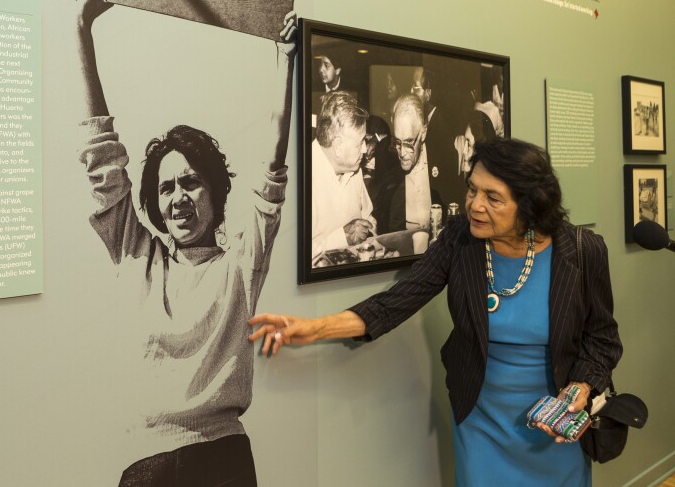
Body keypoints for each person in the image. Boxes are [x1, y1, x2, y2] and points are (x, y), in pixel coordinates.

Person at [250, 137, 622, 486]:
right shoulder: (461, 241)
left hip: (553, 425)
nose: (475, 204)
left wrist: (581, 386)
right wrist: (313, 328)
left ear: (530, 204)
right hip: (482, 423)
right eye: (473, 188)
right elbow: (396, 302)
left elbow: (602, 339)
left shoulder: (581, 252)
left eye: (493, 197)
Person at [78, 0, 297, 486]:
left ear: (216, 194)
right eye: (166, 188)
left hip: (222, 460)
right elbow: (103, 158)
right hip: (148, 467)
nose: (178, 198)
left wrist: (287, 64)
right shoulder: (137, 255)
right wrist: (82, 31)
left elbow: (273, 168)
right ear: (151, 203)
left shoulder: (241, 264)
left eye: (191, 183)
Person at [311, 91, 375, 261]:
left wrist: (370, 227)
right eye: (360, 142)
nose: (364, 149)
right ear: (338, 145)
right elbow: (293, 257)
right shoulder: (302, 180)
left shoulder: (354, 169)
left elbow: (367, 216)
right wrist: (342, 237)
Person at [372, 93, 443, 236]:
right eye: (398, 142)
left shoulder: (443, 161)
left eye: (409, 143)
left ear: (423, 132)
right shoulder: (385, 160)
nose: (402, 153)